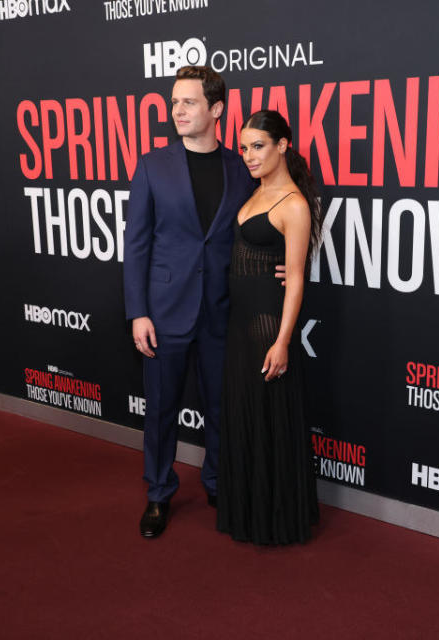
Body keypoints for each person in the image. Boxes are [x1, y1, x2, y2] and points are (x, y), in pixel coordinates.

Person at [123, 66, 258, 538]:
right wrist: (138, 311)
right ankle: (158, 493)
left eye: (189, 102)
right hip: (164, 311)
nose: (177, 110)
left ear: (216, 109)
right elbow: (136, 243)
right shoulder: (152, 165)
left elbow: (254, 236)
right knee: (160, 408)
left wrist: (280, 266)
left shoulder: (242, 170)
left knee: (223, 406)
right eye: (174, 102)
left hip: (223, 311)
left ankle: (218, 483)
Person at [216, 110, 322, 544]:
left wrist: (283, 341)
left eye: (258, 146)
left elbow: (295, 277)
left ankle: (275, 520)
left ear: (282, 145)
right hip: (239, 325)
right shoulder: (253, 192)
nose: (248, 155)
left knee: (268, 421)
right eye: (243, 148)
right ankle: (246, 511)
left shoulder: (294, 204)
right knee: (245, 417)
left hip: (266, 327)